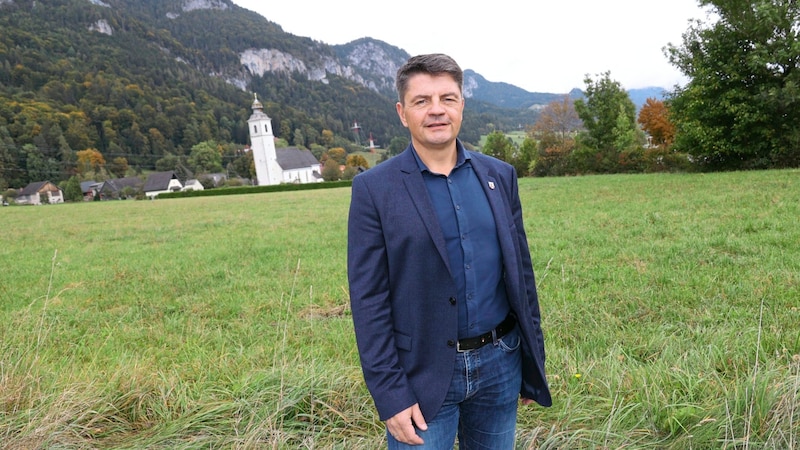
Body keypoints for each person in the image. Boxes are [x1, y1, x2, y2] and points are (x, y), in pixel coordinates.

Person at [347, 53, 551, 449]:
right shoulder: (374, 190)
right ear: (402, 112)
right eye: (422, 101)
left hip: (500, 363)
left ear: (462, 105)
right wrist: (390, 393)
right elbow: (368, 300)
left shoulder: (499, 176)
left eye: (448, 98)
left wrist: (531, 360)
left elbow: (521, 275)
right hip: (420, 376)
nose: (436, 110)